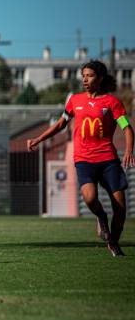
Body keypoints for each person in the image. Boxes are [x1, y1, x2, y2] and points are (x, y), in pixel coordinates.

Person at [27, 60, 133, 257]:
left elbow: (127, 127)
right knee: (90, 197)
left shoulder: (112, 102)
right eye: (83, 75)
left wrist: (128, 150)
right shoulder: (75, 101)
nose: (85, 79)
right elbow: (60, 124)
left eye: (90, 75)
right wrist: (38, 139)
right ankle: (101, 217)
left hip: (108, 160)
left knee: (120, 209)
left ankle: (113, 242)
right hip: (84, 159)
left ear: (100, 78)